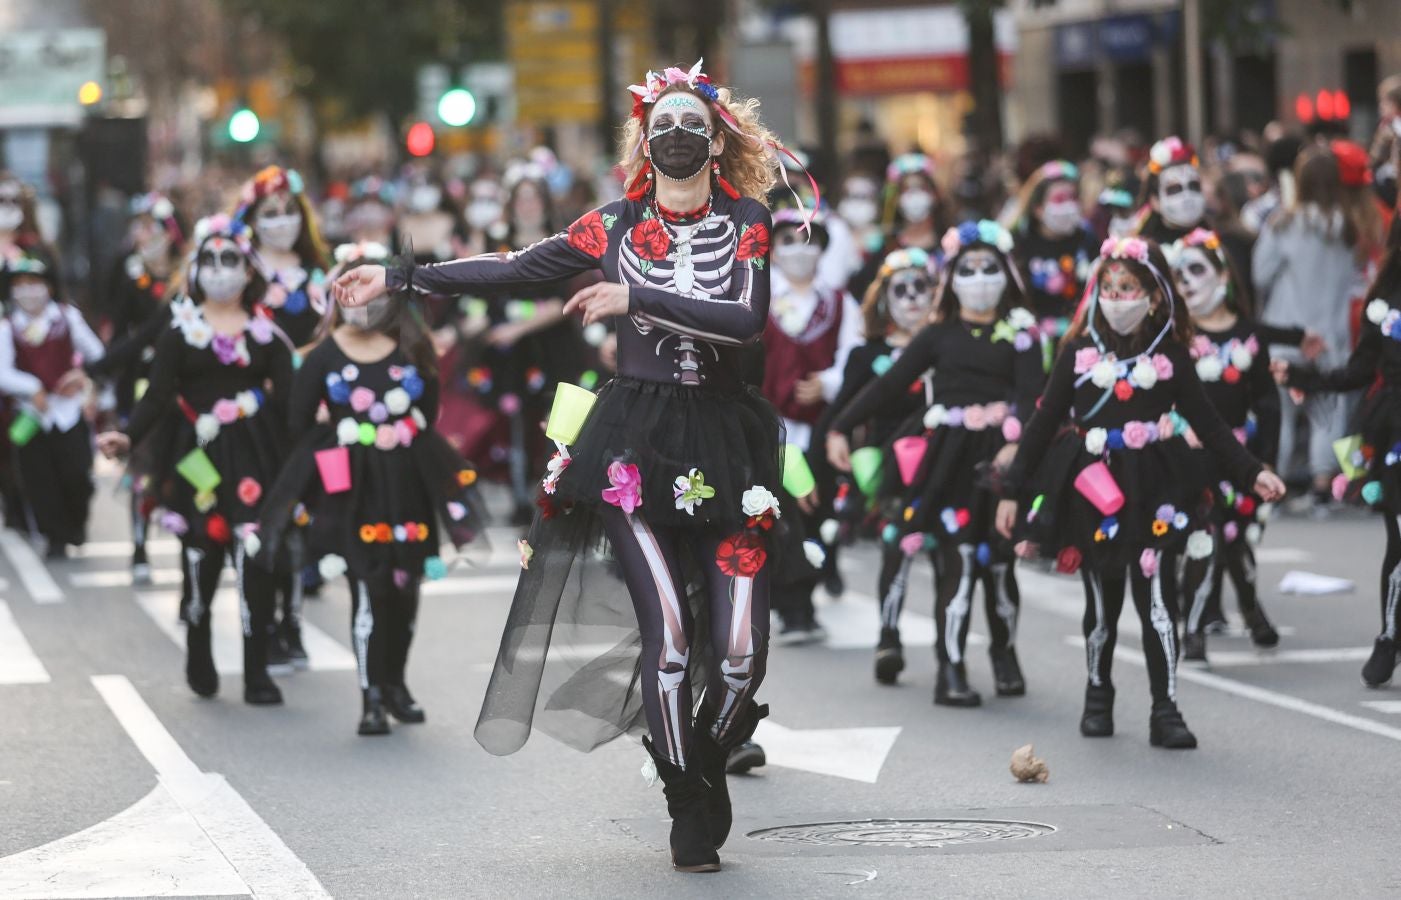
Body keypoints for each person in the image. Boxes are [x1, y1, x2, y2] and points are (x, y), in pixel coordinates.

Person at [334, 60, 788, 874]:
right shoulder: (610, 225)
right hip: (634, 448)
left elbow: (746, 319)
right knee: (674, 642)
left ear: (716, 142)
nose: (677, 135)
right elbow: (512, 267)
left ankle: (704, 754)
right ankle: (685, 798)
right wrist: (403, 278)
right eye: (664, 125)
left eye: (693, 124)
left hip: (727, 444)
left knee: (741, 649)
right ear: (644, 144)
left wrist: (636, 300)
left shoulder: (749, 219)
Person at [996, 237, 1286, 749]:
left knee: (1157, 599)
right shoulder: (1078, 354)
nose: (1115, 297)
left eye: (1127, 287)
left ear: (1153, 295)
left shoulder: (1171, 355)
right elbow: (1043, 422)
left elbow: (1210, 424)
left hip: (1157, 482)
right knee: (1102, 601)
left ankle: (1165, 707)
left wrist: (1251, 471)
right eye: (1106, 287)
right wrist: (1012, 490)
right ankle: (1098, 694)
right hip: (1096, 486)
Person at [256, 242, 487, 735]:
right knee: (366, 588)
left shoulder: (413, 349)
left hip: (407, 481)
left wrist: (398, 431)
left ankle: (396, 683)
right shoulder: (323, 357)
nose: (360, 303)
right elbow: (298, 421)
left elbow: (427, 413)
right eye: (348, 292)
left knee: (405, 588)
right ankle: (371, 696)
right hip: (352, 491)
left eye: (370, 293)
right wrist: (341, 438)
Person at [828, 221, 1045, 704]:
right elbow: (886, 386)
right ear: (952, 278)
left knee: (1001, 567)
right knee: (959, 561)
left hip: (1001, 461)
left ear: (1007, 273)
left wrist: (1017, 442)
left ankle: (1005, 654)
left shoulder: (1023, 333)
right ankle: (952, 669)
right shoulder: (937, 334)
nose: (980, 277)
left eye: (990, 268)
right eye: (968, 269)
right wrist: (839, 426)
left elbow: (1035, 397)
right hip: (947, 460)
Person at [97, 215, 294, 706]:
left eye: (231, 261)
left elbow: (292, 401)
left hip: (254, 455)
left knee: (255, 557)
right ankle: (199, 649)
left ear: (249, 271)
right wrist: (127, 435)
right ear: (196, 270)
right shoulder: (179, 332)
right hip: (195, 456)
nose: (220, 270)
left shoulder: (267, 335)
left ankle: (256, 670)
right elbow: (158, 396)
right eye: (210, 261)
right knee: (201, 556)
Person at [1273, 214, 1401, 688]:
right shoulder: (1385, 301)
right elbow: (1360, 370)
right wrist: (1308, 379)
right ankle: (1389, 637)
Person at [1167, 228, 1282, 661]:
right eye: (1178, 275)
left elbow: (1268, 403)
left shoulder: (1250, 335)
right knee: (1204, 536)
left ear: (1222, 276)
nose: (1187, 283)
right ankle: (1193, 627)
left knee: (1237, 540)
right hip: (1190, 457)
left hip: (1238, 458)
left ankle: (1252, 611)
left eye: (1196, 270)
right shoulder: (1176, 336)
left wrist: (1265, 460)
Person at [760, 207, 859, 643]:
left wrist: (829, 383)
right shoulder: (758, 296)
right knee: (776, 511)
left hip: (820, 427)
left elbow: (854, 356)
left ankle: (811, 589)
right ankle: (791, 606)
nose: (798, 251)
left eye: (808, 241)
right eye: (787, 241)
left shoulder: (838, 300)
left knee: (817, 509)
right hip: (770, 424)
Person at [1254, 146, 1371, 509]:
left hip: (1288, 331)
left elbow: (1261, 273)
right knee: (1327, 410)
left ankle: (1278, 481)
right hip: (1331, 332)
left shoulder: (1284, 223)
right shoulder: (1348, 227)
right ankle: (1324, 483)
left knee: (1282, 411)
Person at [88, 192, 186, 582]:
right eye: (140, 227)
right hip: (142, 382)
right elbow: (126, 334)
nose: (144, 234)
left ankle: (192, 541)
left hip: (183, 385)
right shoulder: (128, 273)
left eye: (152, 226)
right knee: (142, 466)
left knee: (186, 466)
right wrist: (101, 372)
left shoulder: (189, 274)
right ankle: (141, 544)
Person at [0, 249, 103, 556]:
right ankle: (55, 536)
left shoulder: (67, 318)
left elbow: (98, 355)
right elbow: (2, 372)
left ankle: (77, 524)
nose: (29, 291)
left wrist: (81, 376)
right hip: (31, 416)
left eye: (35, 282)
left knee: (77, 475)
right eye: (21, 284)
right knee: (38, 481)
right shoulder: (8, 327)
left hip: (69, 411)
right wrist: (31, 388)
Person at [1005, 160, 1100, 342]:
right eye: (1059, 199)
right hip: (1033, 338)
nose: (1068, 205)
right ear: (1038, 208)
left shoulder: (1088, 240)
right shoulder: (1020, 243)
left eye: (1073, 198)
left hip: (1081, 336)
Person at [848, 153, 950, 301]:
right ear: (896, 199)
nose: (915, 196)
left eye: (921, 188)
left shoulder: (948, 242)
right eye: (907, 190)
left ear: (935, 194)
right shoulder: (885, 244)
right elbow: (862, 290)